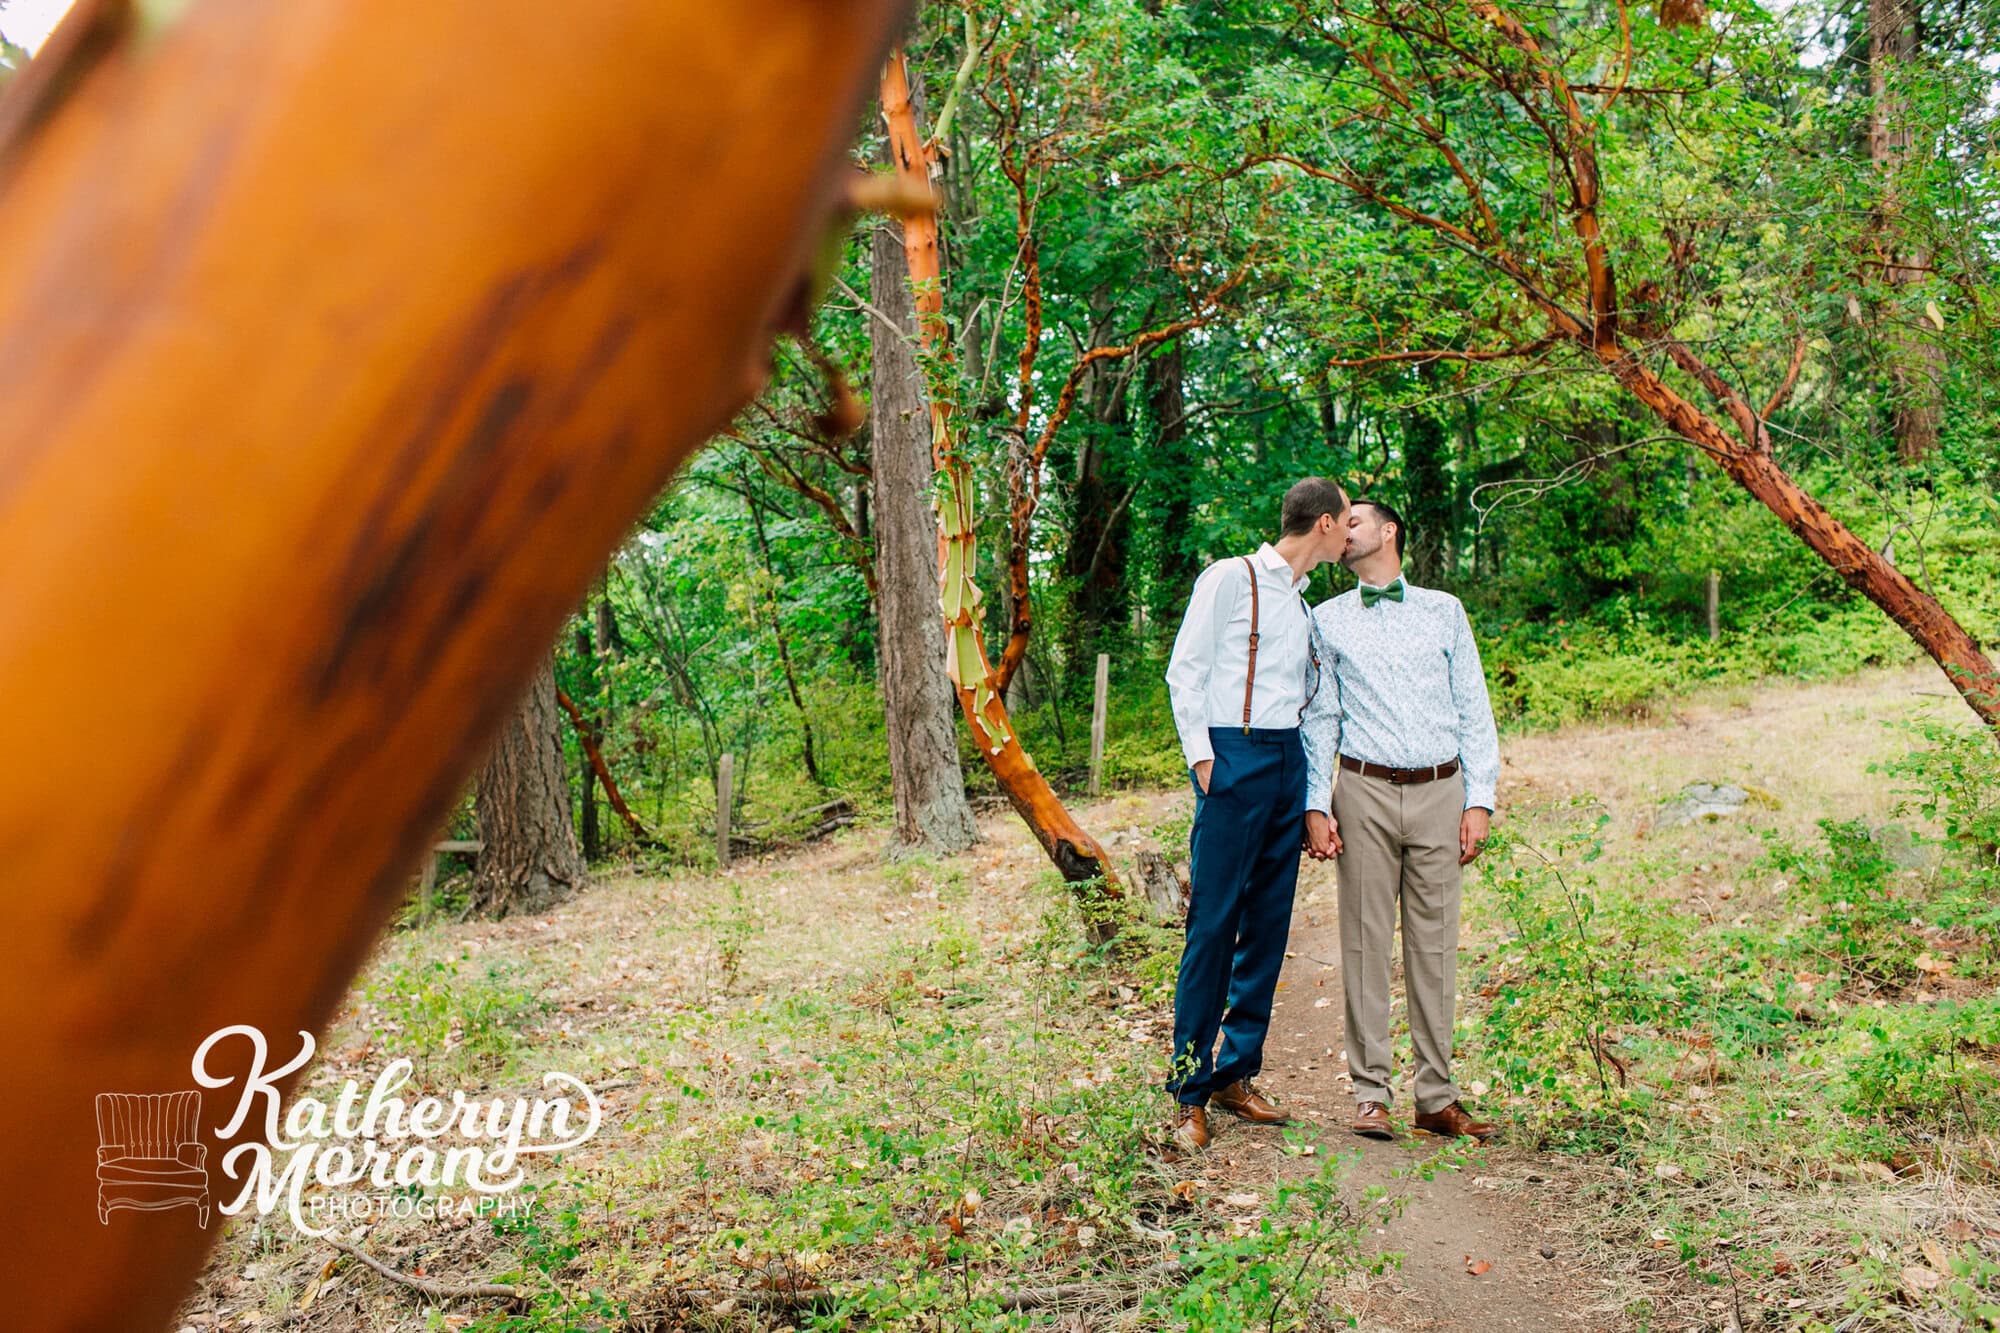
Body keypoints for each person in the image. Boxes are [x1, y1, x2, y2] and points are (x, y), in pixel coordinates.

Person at [1301, 499, 1501, 1141]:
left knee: (1436, 946)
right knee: (1363, 943)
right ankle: (1370, 1094)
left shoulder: (1444, 610)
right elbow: (1321, 717)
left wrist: (1480, 798)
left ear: (1388, 532)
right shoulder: (1325, 620)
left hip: (1442, 791)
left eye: (1353, 520)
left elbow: (1474, 707)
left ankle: (1436, 1098)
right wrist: (1314, 800)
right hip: (1363, 792)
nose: (1342, 527)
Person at [1162, 476, 1351, 1153]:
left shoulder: (1305, 607)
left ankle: (1234, 1073)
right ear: (1324, 522)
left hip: (1286, 763)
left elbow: (1312, 703)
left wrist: (1310, 801)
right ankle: (1188, 1088)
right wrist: (1205, 761)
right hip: (1232, 755)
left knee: (1268, 927)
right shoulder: (1229, 577)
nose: (1352, 530)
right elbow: (1185, 670)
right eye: (1348, 518)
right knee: (1213, 925)